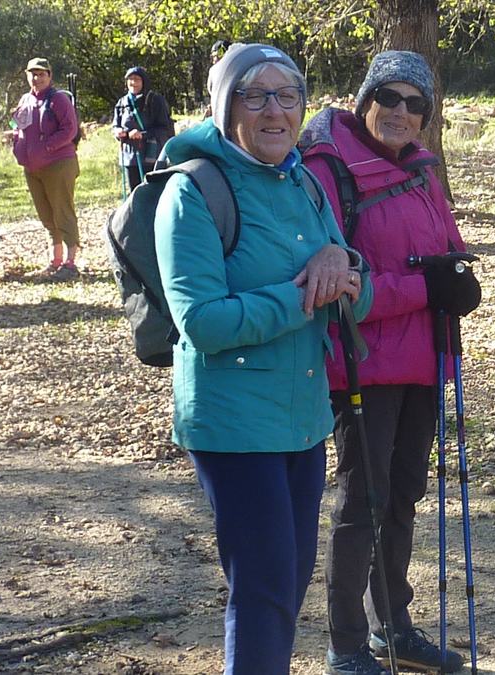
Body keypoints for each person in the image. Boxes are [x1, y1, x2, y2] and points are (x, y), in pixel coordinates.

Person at [153, 43, 373, 675]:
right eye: (255, 95)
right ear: (226, 106)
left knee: (289, 579)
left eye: (288, 96)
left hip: (301, 418)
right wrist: (305, 293)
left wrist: (346, 265)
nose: (274, 110)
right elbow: (202, 321)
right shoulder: (193, 192)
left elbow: (356, 290)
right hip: (232, 421)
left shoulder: (304, 181)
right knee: (267, 585)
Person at [301, 50, 480, 675]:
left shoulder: (424, 171)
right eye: (390, 98)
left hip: (426, 360)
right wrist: (426, 287)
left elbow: (445, 250)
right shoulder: (328, 169)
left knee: (403, 495)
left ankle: (392, 626)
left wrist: (459, 276)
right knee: (362, 502)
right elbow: (335, 280)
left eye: (415, 104)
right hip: (363, 363)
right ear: (365, 100)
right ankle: (345, 642)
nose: (401, 112)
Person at [3, 58, 80, 281]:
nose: (36, 78)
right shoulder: (25, 99)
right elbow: (17, 126)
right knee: (46, 215)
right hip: (32, 167)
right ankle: (55, 261)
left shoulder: (58, 99)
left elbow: (70, 129)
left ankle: (70, 262)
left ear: (49, 76)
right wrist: (17, 146)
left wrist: (47, 146)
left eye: (41, 74)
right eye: (32, 74)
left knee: (62, 211)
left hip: (58, 164)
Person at [112, 66, 174, 193]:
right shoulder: (122, 103)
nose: (133, 83)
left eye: (137, 79)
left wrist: (142, 134)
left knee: (153, 193)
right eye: (130, 79)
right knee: (134, 193)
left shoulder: (155, 100)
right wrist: (118, 132)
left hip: (151, 156)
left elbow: (164, 129)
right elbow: (115, 125)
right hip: (130, 157)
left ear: (144, 81)